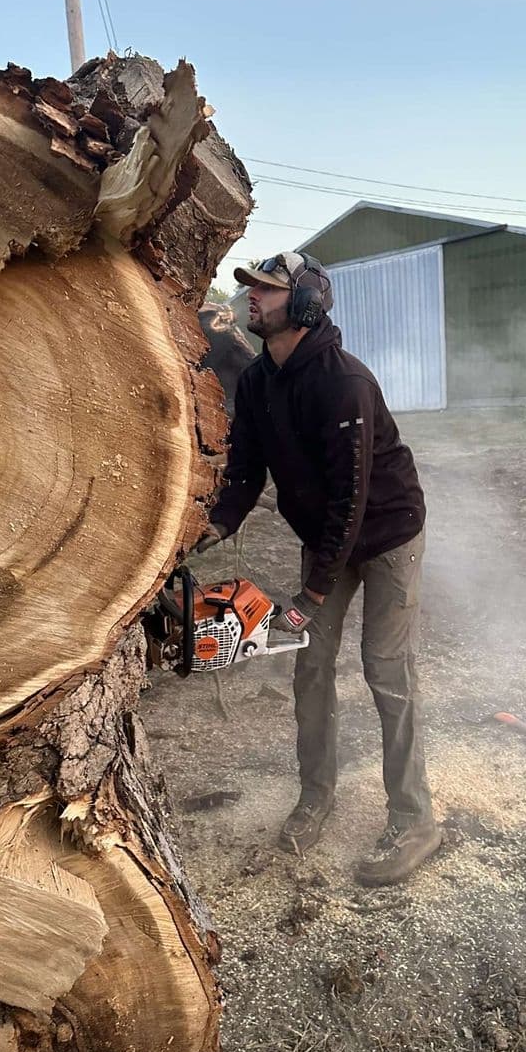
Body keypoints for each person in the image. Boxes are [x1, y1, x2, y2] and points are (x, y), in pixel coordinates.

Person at [196, 251, 441, 886]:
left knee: (386, 670)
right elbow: (247, 470)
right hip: (329, 537)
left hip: (386, 533)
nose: (252, 297)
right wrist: (214, 525)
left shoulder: (344, 383)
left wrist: (309, 592)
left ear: (305, 302)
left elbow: (350, 501)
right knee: (311, 666)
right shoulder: (255, 383)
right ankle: (316, 797)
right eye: (249, 287)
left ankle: (415, 820)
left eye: (267, 289)